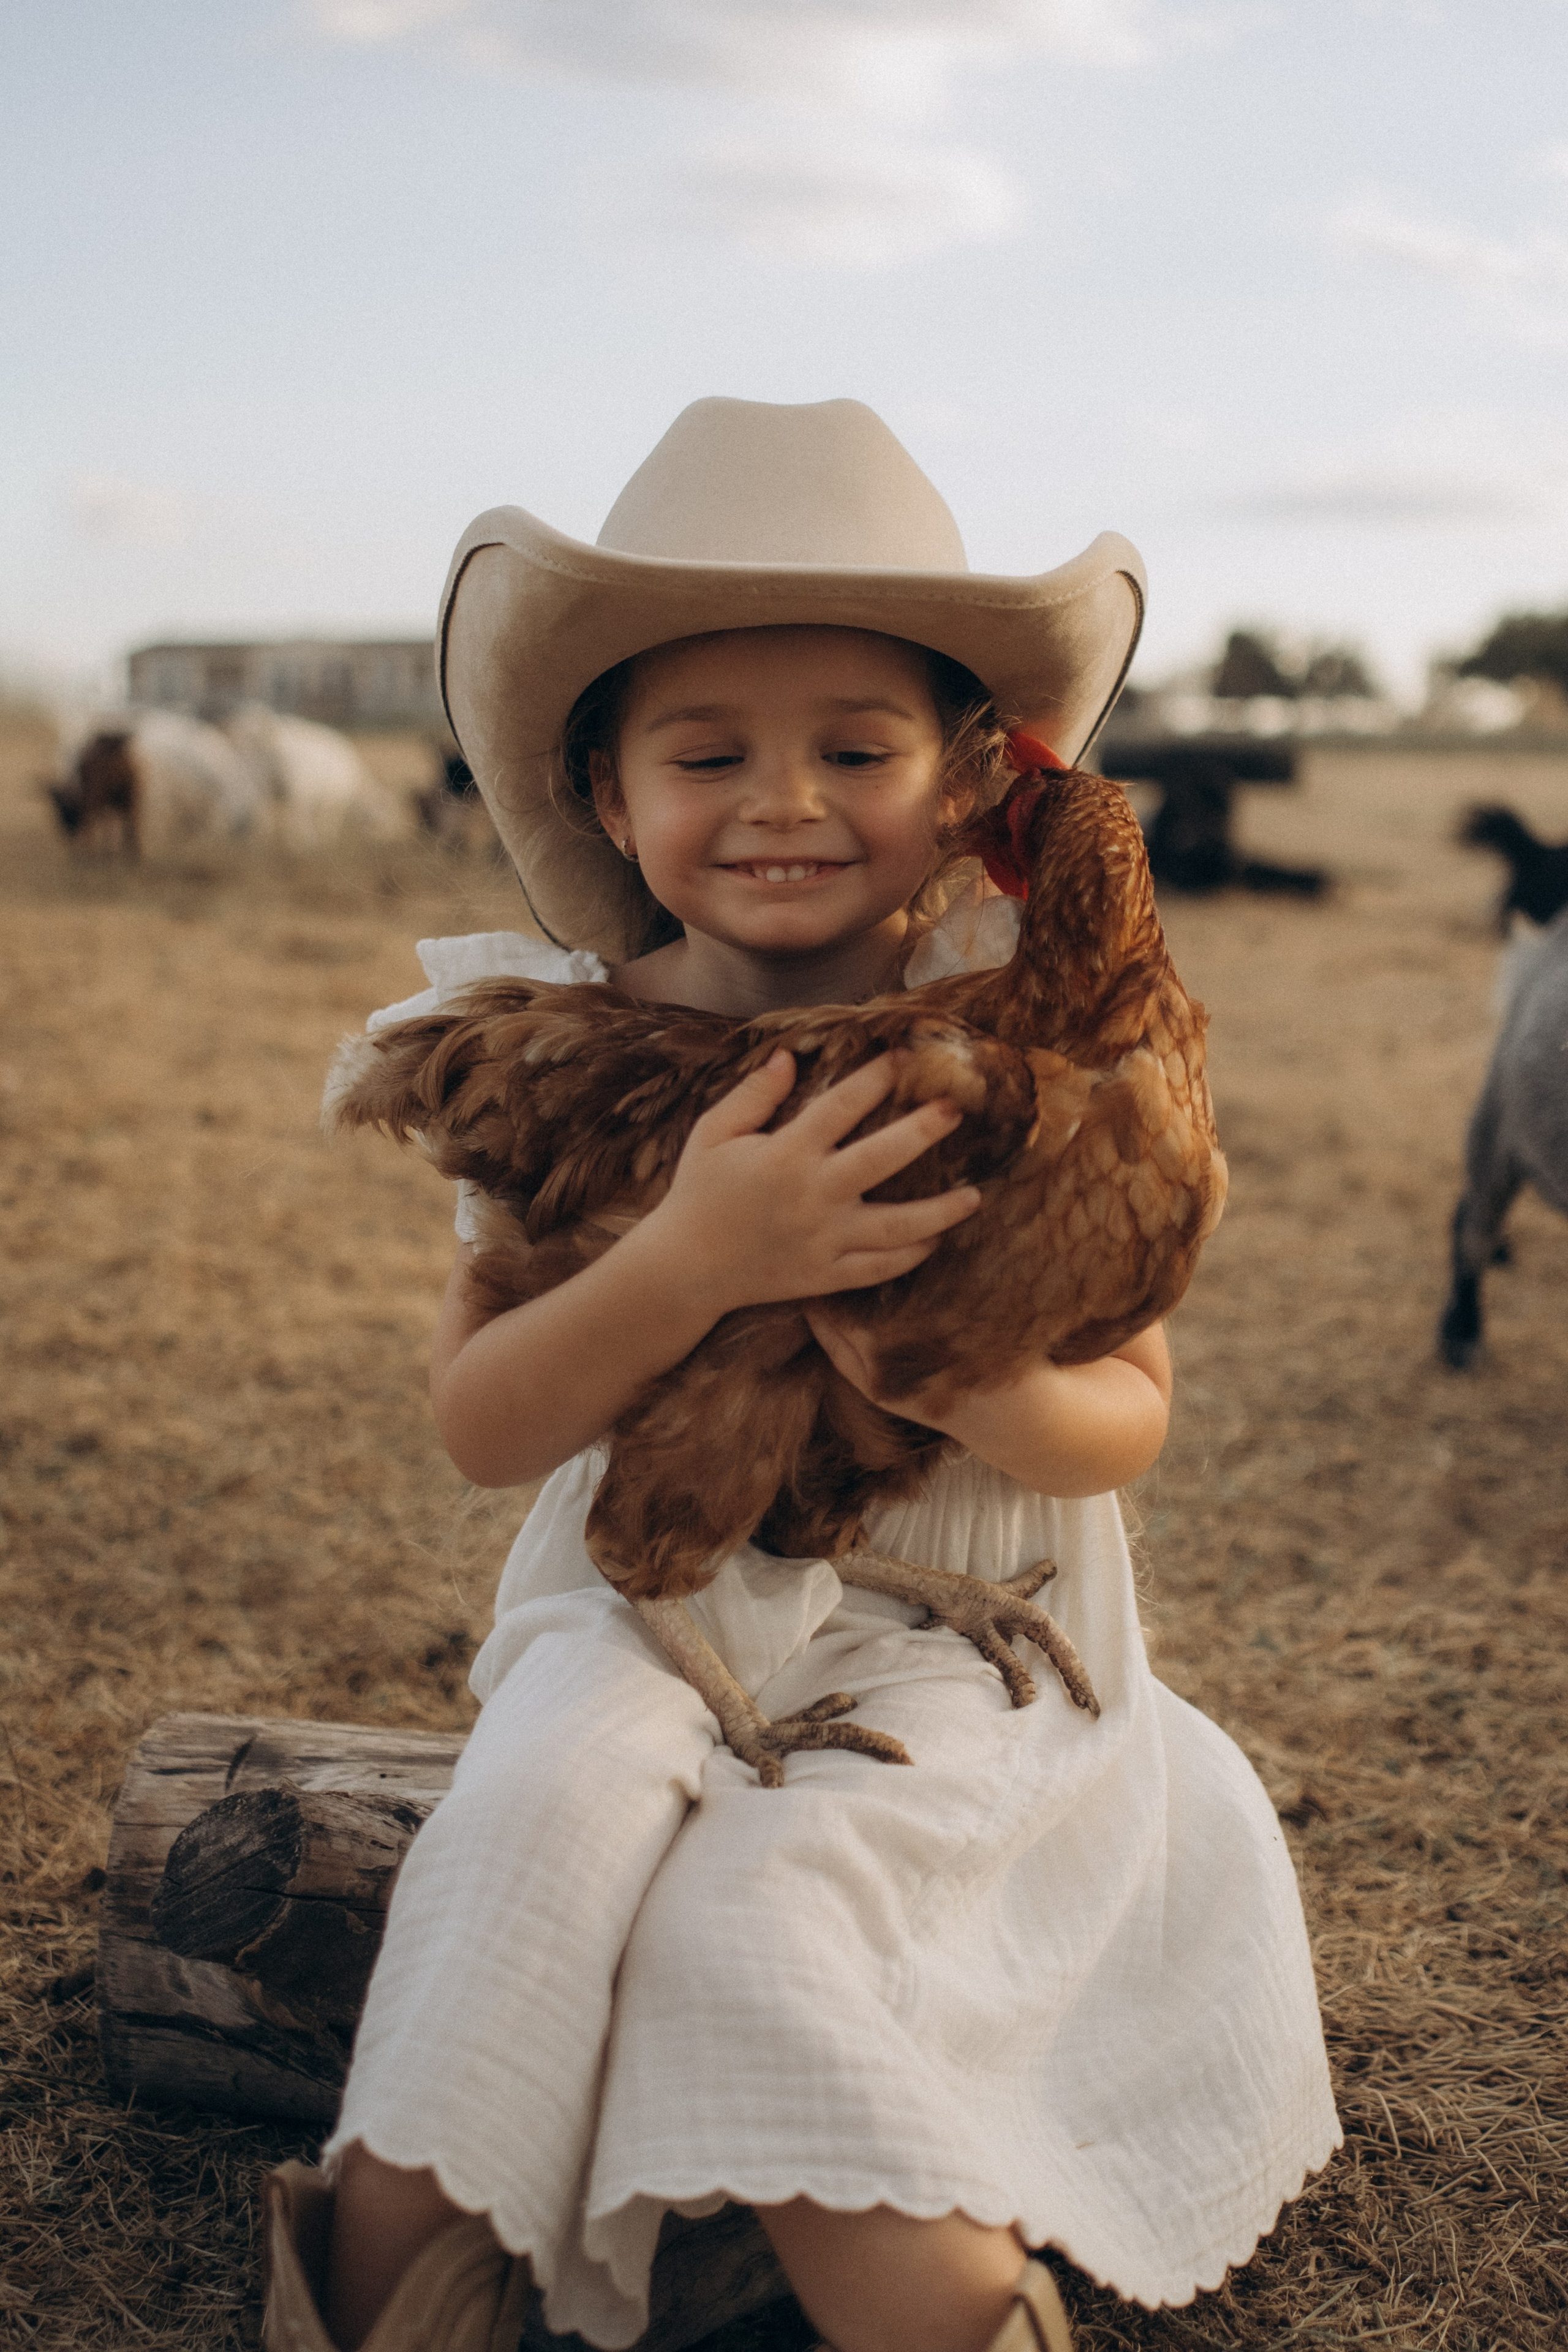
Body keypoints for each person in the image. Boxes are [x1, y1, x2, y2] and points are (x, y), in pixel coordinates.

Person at [263, 400, 1340, 2352]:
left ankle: (939, 2308)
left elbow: (1133, 1418)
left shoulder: (1042, 1052)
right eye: (707, 752)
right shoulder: (549, 1050)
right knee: (520, 1850)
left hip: (973, 1639)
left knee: (761, 1937)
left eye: (857, 748)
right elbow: (484, 1424)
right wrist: (698, 1260)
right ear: (604, 788)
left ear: (963, 779)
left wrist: (933, 1361)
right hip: (649, 1614)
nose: (784, 801)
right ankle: (388, 2305)